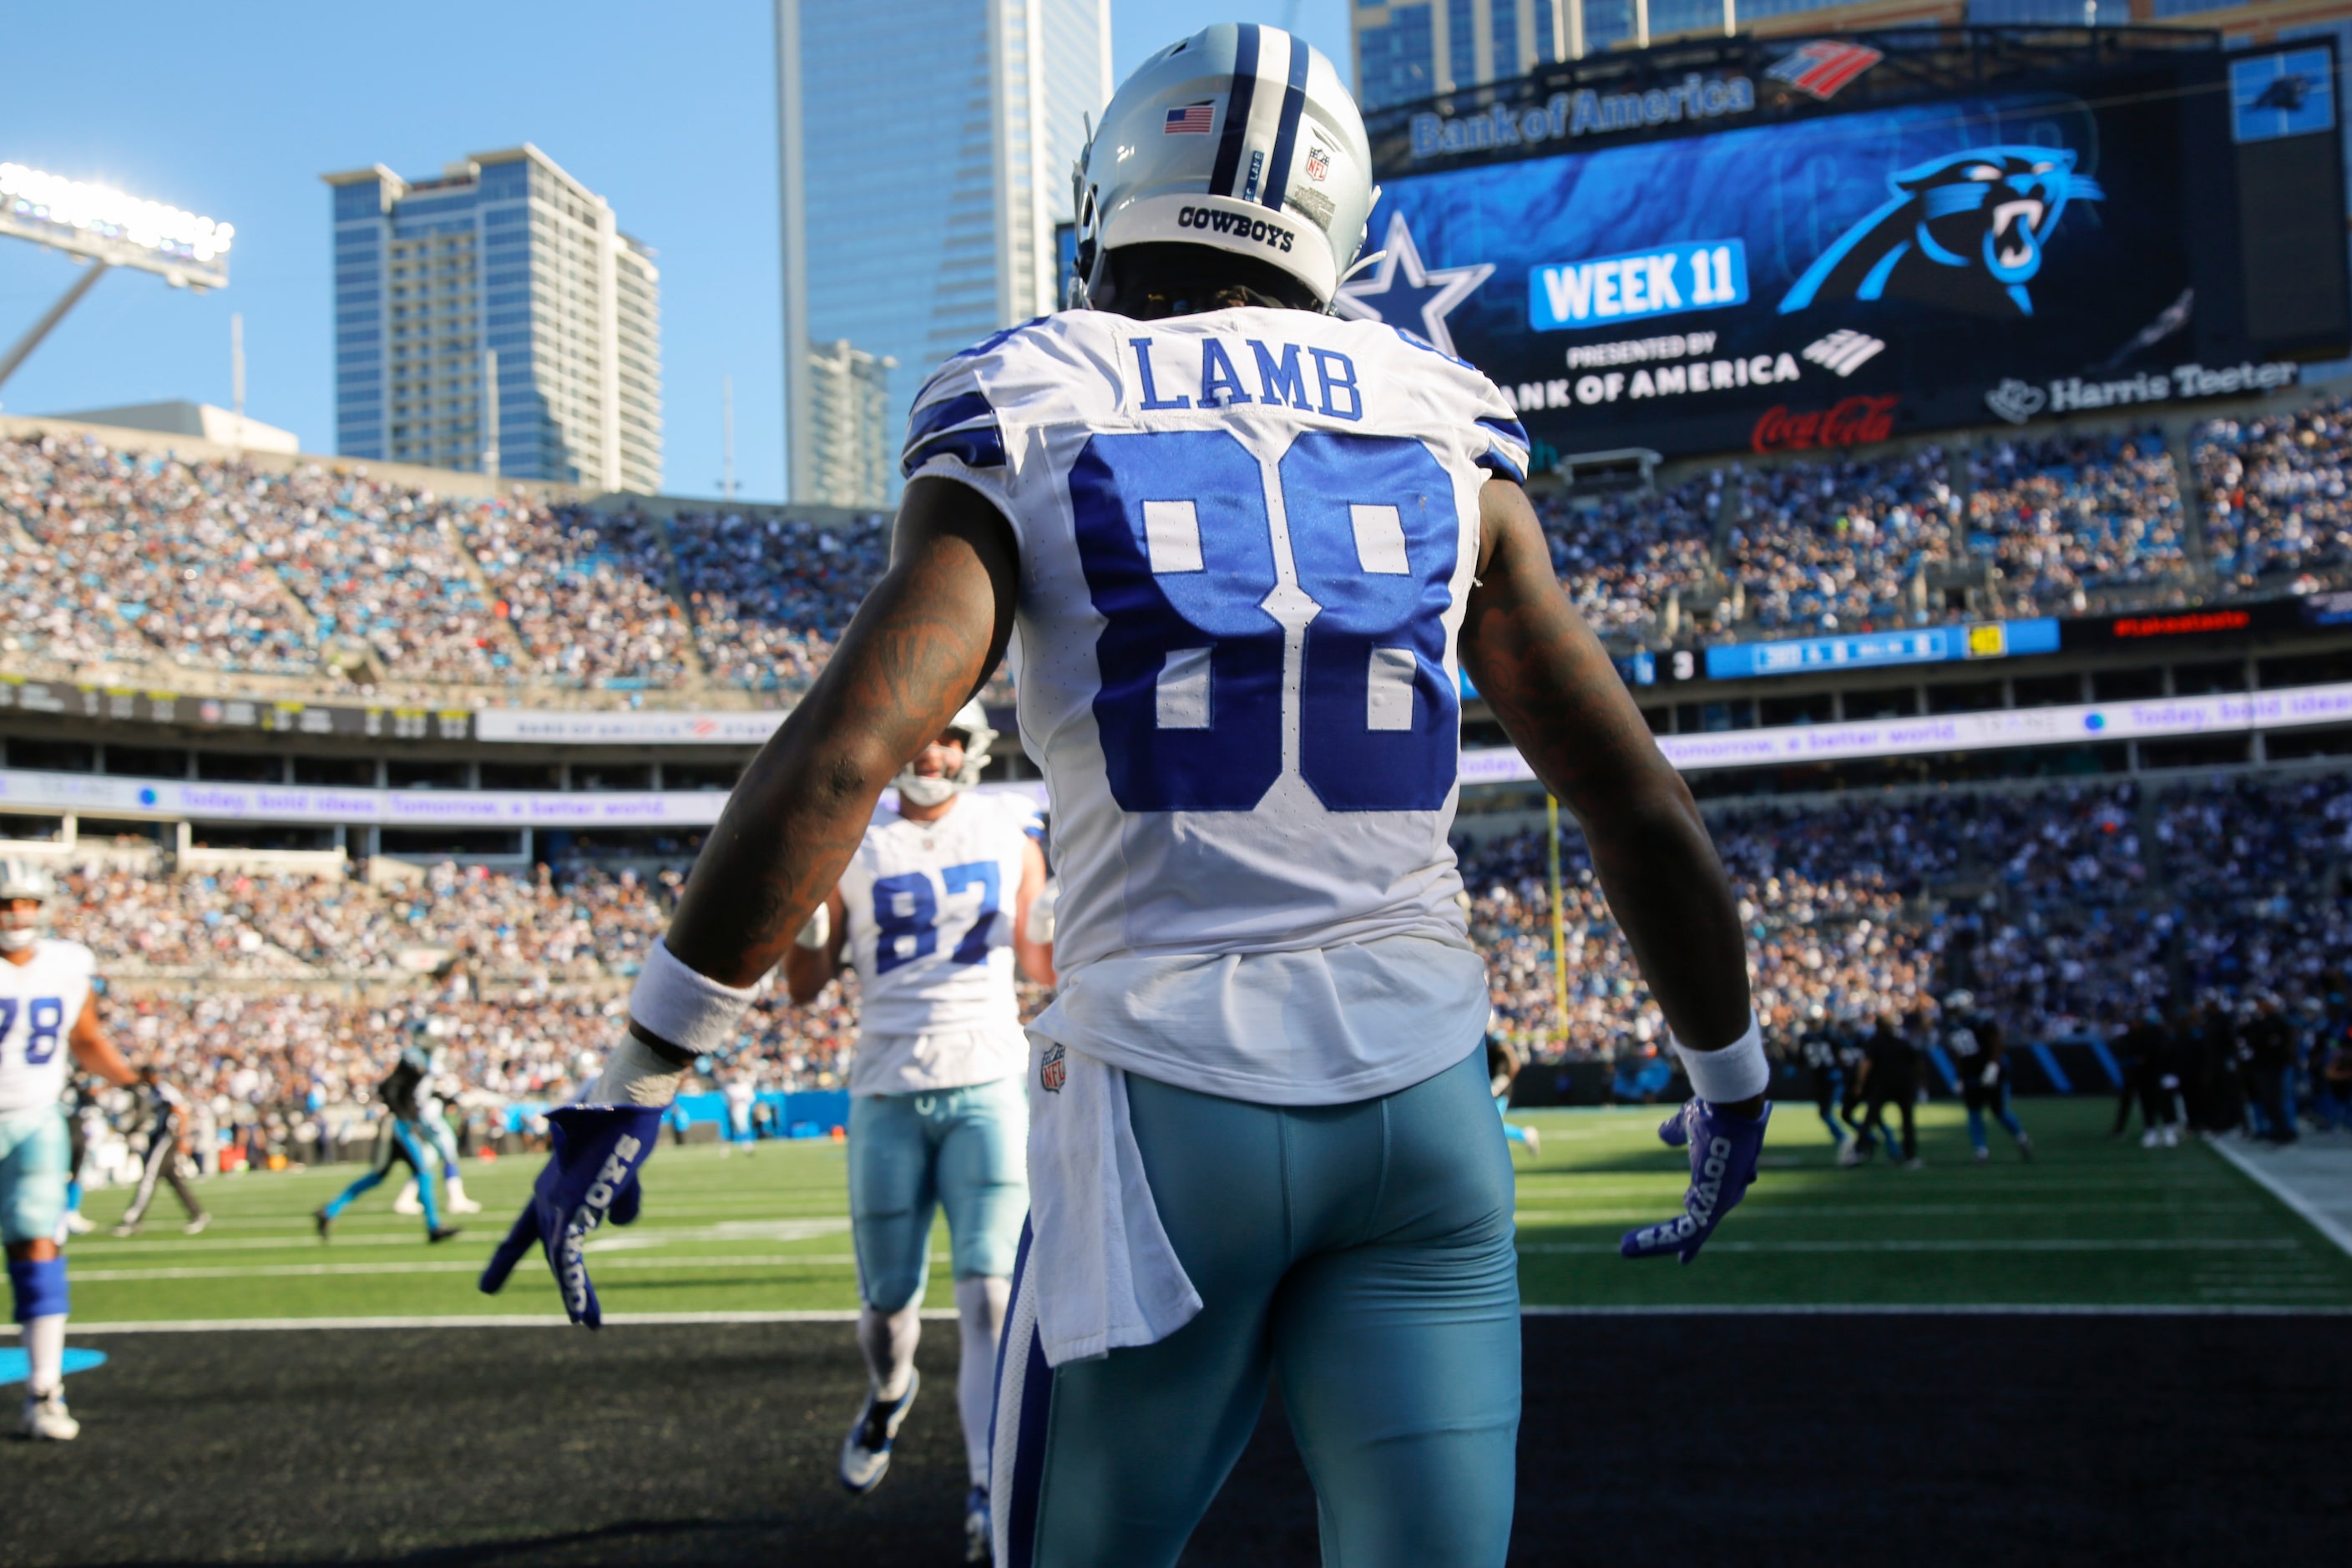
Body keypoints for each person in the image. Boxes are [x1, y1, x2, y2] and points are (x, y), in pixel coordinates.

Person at [482, 26, 1770, 1566]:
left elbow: (847, 752)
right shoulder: (1444, 412)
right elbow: (1630, 799)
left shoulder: (1029, 387)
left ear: (1116, 187)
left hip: (1169, 1106)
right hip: (1426, 1104)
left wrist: (640, 1067)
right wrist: (1730, 1072)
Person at [781, 701, 1054, 1559]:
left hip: (986, 1080)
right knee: (888, 1310)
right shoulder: (850, 839)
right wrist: (808, 922)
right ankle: (891, 1390)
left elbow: (1040, 970)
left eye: (948, 736)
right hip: (888, 1086)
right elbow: (802, 987)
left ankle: (983, 1485)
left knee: (992, 1296)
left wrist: (1054, 925)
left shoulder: (1011, 834)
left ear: (971, 747)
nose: (931, 752)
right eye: (919, 736)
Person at [0, 858, 139, 1439]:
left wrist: (136, 1083)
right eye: (6, 904)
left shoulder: (67, 963)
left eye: (24, 902)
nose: (16, 914)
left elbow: (85, 1039)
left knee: (39, 1247)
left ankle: (44, 1390)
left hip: (35, 1118)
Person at [315, 1046, 462, 1243]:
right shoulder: (412, 1065)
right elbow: (388, 1088)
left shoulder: (421, 1071)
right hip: (400, 1129)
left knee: (379, 1177)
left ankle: (330, 1210)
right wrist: (405, 1119)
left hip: (402, 1128)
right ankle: (433, 1227)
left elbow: (418, 1095)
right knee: (424, 1173)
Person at [111, 1065, 210, 1237]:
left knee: (149, 1176)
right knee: (173, 1179)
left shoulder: (163, 1089)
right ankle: (197, 1213)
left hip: (165, 1138)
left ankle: (132, 1219)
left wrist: (182, 1137)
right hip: (157, 1137)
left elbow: (180, 1109)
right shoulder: (151, 1090)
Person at [1942, 990, 2032, 1163]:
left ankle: (2021, 1138)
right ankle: (1981, 1150)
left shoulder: (1982, 1022)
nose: (1952, 1013)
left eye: (1955, 1009)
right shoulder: (1954, 1027)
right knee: (1974, 1113)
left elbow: (1996, 1045)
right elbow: (1959, 1055)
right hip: (1971, 1074)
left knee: (1999, 1111)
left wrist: (1992, 1068)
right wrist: (1959, 1077)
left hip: (1990, 1072)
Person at [1844, 1009, 1922, 1169]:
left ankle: (1859, 1152)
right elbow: (1917, 1063)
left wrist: (1859, 1085)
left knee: (1870, 1119)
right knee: (1907, 1122)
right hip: (1903, 1085)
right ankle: (1909, 1156)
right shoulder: (1901, 1041)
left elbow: (1866, 1065)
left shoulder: (1874, 1042)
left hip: (1883, 1085)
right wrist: (1919, 1085)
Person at [1797, 1005, 1850, 1151]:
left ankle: (1845, 1139)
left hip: (1831, 1078)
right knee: (1825, 1113)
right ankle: (1845, 1139)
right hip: (1822, 1078)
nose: (1812, 1024)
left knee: (1827, 1113)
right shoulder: (1814, 1037)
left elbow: (1842, 1056)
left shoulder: (1827, 1035)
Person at [1485, 1022, 1540, 1159]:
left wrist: (1502, 1082)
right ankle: (1524, 1135)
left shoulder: (1500, 1047)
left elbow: (1514, 1064)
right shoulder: (1490, 1046)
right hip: (1495, 1087)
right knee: (1490, 1124)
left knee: (1493, 1124)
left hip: (1501, 1090)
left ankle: (1525, 1135)